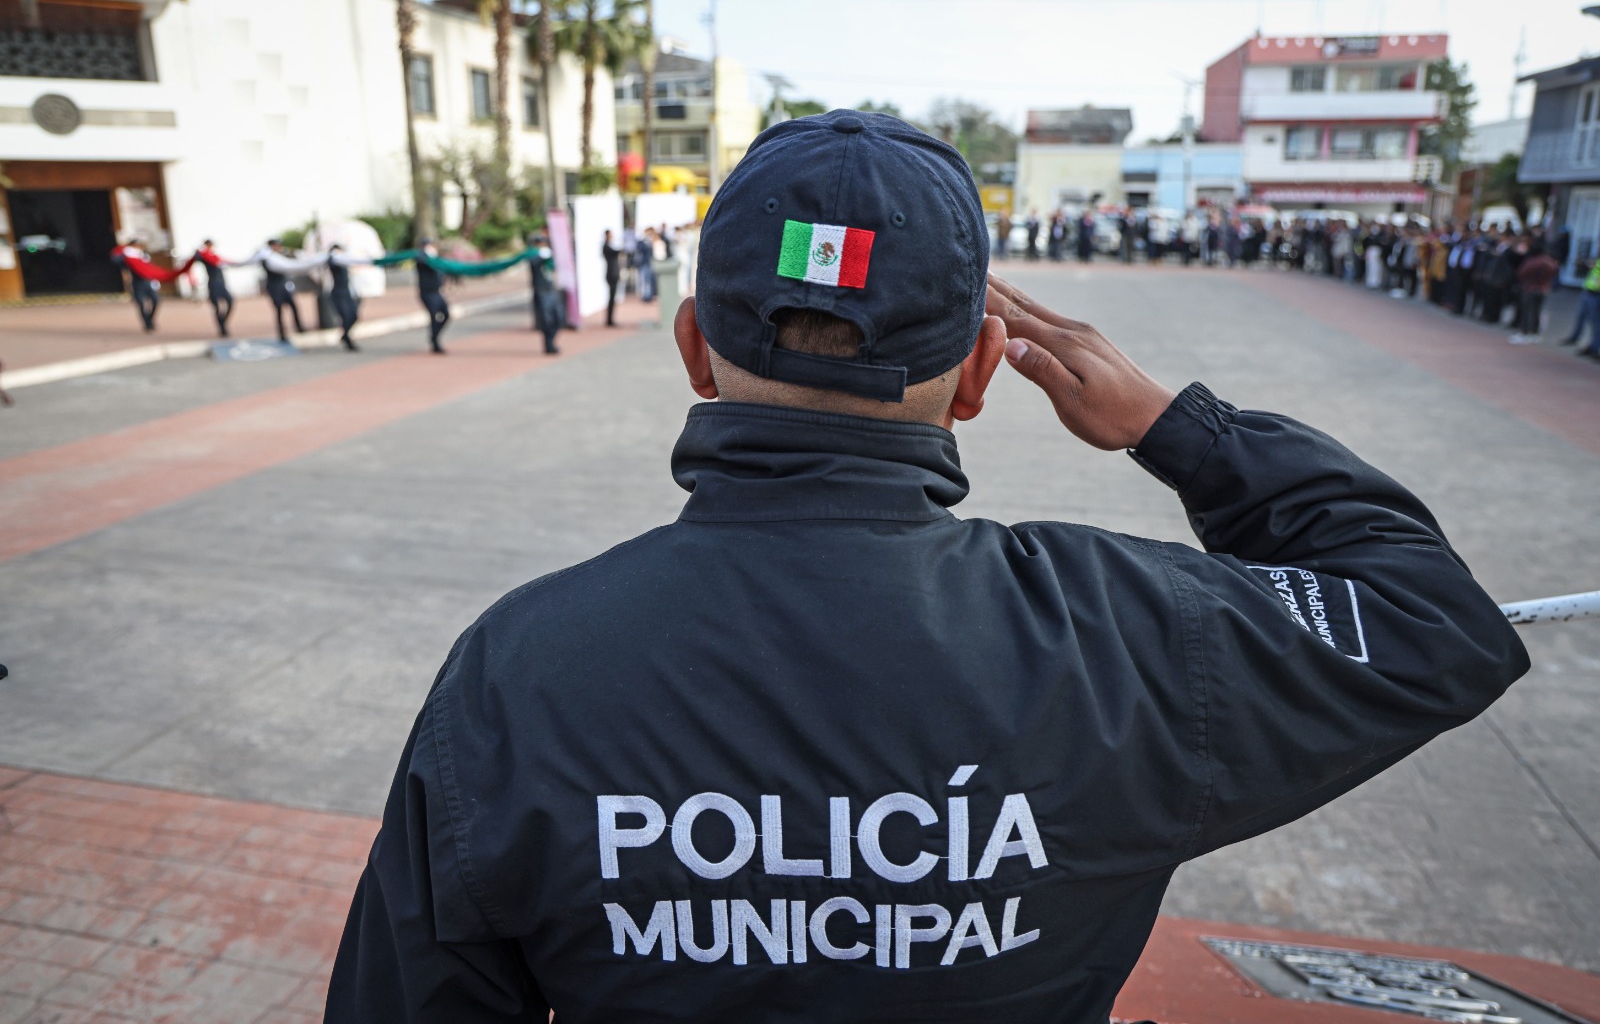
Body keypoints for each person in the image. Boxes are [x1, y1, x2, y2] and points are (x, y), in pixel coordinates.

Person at [326, 109, 1528, 1024]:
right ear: (978, 373)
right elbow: (1431, 614)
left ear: (695, 347)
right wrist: (1177, 425)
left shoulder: (517, 667)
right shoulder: (1128, 636)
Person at [1511, 241, 1559, 344]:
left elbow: (1521, 273)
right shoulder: (1549, 262)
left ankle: (1524, 332)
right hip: (1543, 289)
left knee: (1527, 311)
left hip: (1530, 288)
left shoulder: (1532, 261)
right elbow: (1554, 271)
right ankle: (1534, 333)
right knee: (1536, 311)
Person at [110, 238, 160, 332]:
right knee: (141, 304)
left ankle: (149, 319)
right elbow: (115, 260)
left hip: (148, 281)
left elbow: (151, 268)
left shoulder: (143, 255)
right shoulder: (128, 257)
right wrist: (124, 253)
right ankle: (147, 322)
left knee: (156, 300)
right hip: (137, 283)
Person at [528, 231, 562, 355]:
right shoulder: (533, 256)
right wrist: (540, 256)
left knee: (559, 318)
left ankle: (552, 340)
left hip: (551, 289)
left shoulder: (548, 256)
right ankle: (548, 345)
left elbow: (554, 267)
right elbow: (534, 262)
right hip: (541, 291)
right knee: (546, 320)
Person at [1560, 254, 1600, 358]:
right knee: (1581, 317)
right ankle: (1576, 338)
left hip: (1596, 295)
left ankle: (1594, 348)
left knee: (1595, 322)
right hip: (1589, 291)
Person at [415, 239, 450, 354]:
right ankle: (435, 342)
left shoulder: (436, 260)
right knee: (434, 315)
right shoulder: (422, 258)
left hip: (437, 292)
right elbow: (421, 261)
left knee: (446, 315)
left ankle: (434, 337)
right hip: (427, 292)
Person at [326, 244, 362, 352]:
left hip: (347, 292)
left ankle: (345, 335)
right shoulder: (333, 262)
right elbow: (331, 261)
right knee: (345, 316)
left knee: (354, 316)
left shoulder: (344, 263)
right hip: (338, 292)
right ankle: (347, 340)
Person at [194, 240, 234, 337]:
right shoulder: (204, 256)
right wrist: (199, 250)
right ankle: (222, 327)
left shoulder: (215, 256)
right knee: (217, 306)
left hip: (221, 283)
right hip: (213, 284)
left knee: (230, 301)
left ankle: (223, 321)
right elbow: (197, 258)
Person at [602, 228, 622, 327]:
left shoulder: (608, 246)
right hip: (611, 274)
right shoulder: (606, 246)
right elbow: (615, 252)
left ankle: (610, 319)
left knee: (612, 298)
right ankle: (609, 320)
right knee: (611, 297)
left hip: (612, 274)